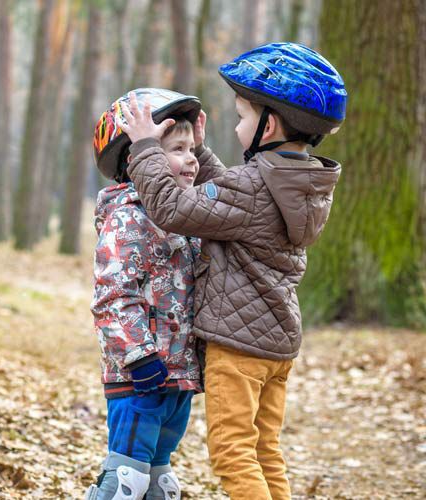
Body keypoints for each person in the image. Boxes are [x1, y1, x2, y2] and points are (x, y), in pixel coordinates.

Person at [118, 43, 347, 500]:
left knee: (233, 452)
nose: (238, 126)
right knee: (265, 451)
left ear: (271, 123)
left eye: (243, 116)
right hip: (276, 345)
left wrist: (145, 146)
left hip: (238, 349)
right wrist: (200, 153)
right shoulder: (301, 183)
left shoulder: (252, 186)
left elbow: (173, 206)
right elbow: (234, 201)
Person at [86, 88, 206, 500]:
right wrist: (138, 354)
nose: (191, 159)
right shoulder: (128, 217)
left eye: (192, 148)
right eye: (177, 149)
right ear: (135, 161)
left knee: (160, 481)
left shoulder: (183, 216)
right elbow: (112, 295)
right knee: (126, 479)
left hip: (177, 375)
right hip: (141, 374)